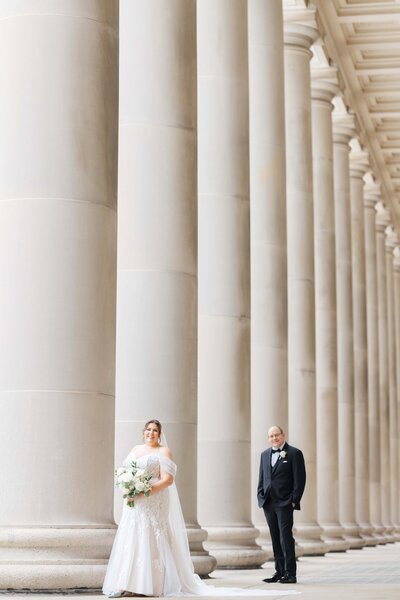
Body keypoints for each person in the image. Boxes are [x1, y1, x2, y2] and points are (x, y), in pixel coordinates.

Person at [103, 419, 299, 598]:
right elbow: (126, 472)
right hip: (134, 503)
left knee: (151, 538)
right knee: (132, 538)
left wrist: (144, 491)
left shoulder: (163, 452)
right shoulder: (135, 449)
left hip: (152, 500)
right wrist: (128, 487)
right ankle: (126, 582)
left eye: (155, 430)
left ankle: (148, 584)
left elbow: (168, 480)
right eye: (148, 430)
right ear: (143, 432)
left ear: (160, 434)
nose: (151, 433)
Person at [257, 425, 306, 585]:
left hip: (285, 503)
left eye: (276, 435)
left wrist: (293, 500)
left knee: (286, 537)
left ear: (283, 435)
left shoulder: (294, 453)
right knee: (275, 538)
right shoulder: (264, 455)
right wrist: (261, 496)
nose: (274, 438)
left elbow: (300, 480)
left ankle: (290, 573)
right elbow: (262, 478)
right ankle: (279, 572)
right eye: (271, 436)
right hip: (269, 503)